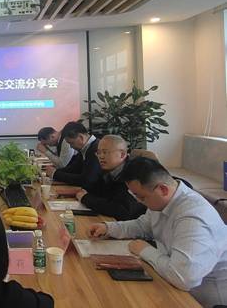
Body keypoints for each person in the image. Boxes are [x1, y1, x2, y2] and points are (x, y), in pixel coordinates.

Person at [88, 157, 227, 308]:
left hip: (204, 299)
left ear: (163, 189)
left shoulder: (193, 217)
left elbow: (182, 277)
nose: (139, 201)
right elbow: (143, 225)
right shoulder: (163, 201)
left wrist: (145, 250)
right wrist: (109, 228)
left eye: (141, 197)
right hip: (172, 280)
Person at [74, 135, 146, 220]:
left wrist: (85, 198)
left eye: (105, 152)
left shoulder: (133, 174)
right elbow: (94, 191)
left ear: (122, 154)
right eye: (98, 152)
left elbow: (123, 210)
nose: (101, 156)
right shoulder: (108, 171)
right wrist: (85, 195)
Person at [46, 122, 100, 189]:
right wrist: (54, 172)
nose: (71, 147)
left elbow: (86, 180)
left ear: (81, 137)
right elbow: (73, 169)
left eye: (71, 143)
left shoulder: (96, 149)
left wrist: (55, 174)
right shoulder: (85, 148)